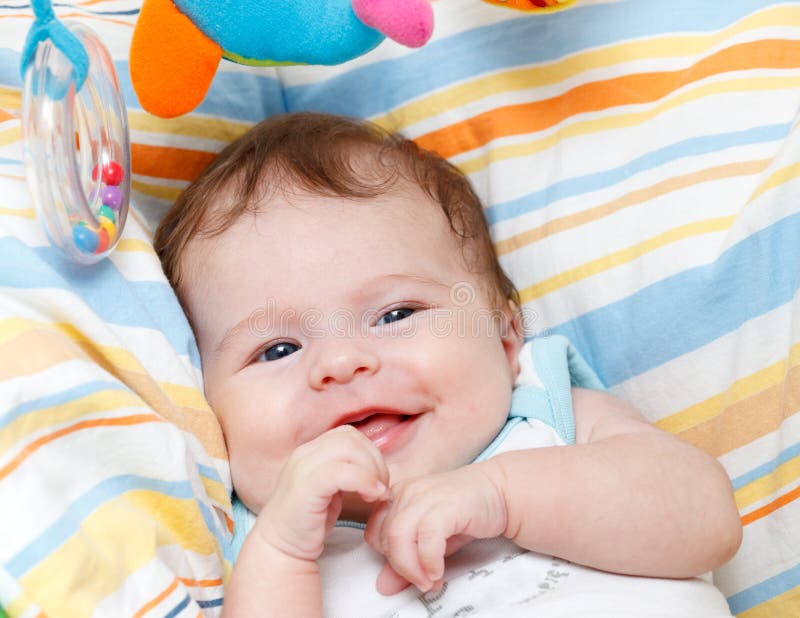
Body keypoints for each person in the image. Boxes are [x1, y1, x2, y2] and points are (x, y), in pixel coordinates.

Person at [154, 112, 742, 617]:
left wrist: (503, 495)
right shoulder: (255, 538)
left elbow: (709, 520)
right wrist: (282, 551)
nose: (340, 362)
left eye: (395, 314)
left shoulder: (547, 418)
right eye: (277, 350)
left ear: (506, 337)